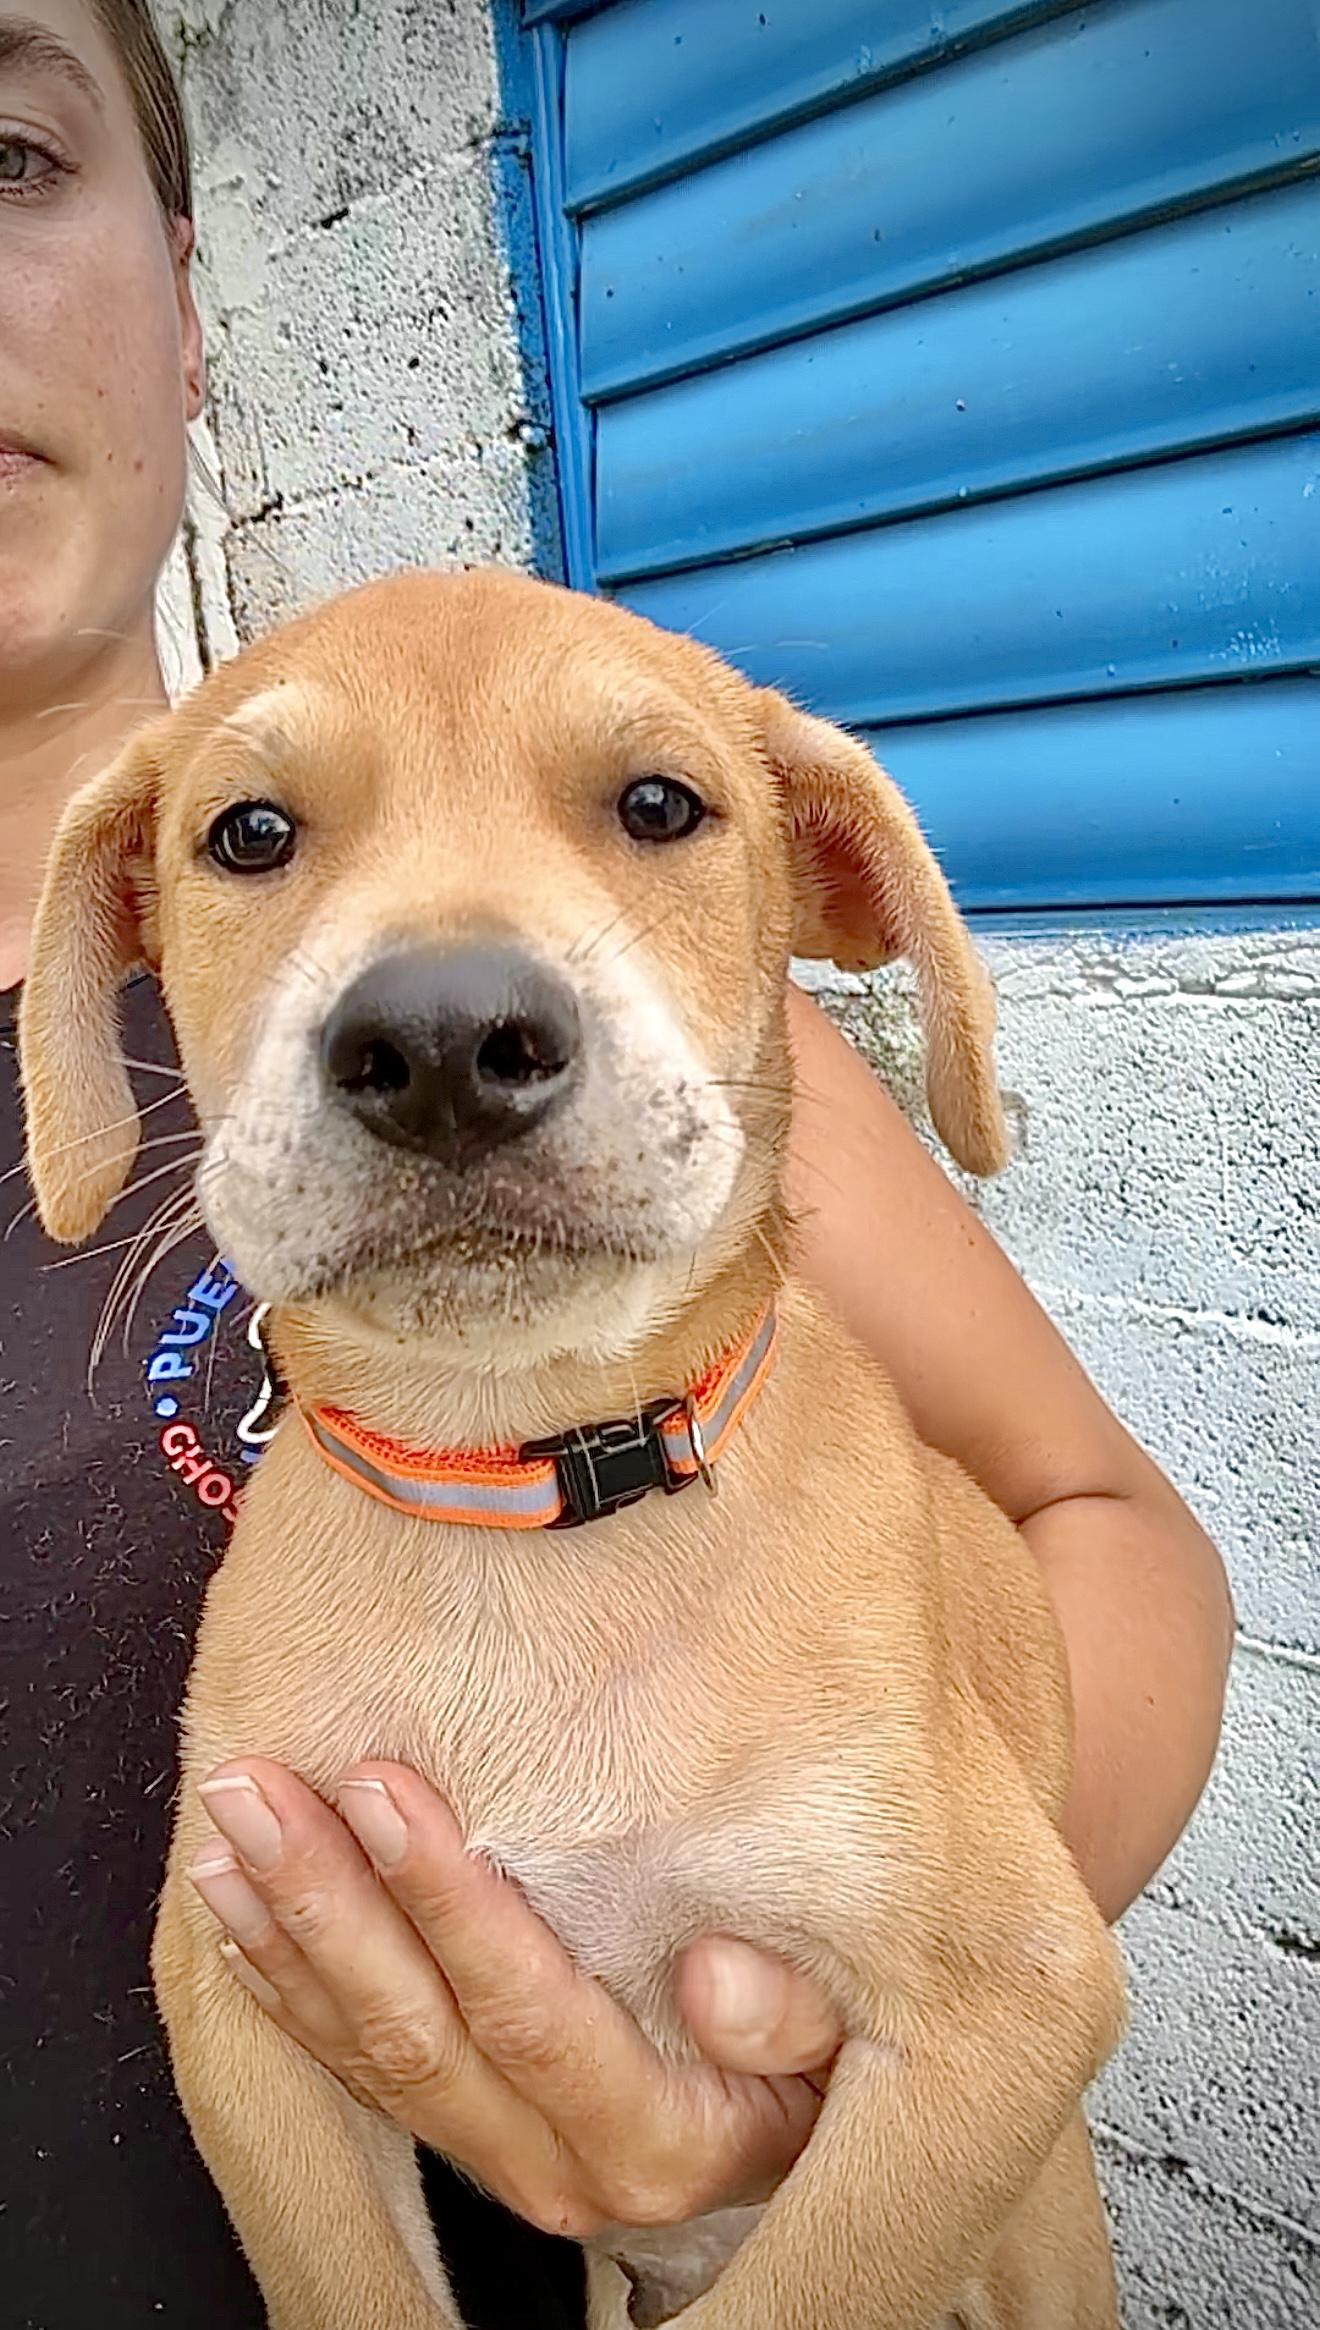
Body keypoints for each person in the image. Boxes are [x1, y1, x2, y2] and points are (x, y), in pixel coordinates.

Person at [0, 4, 1234, 2322]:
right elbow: (232, 1998)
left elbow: (1094, 1586)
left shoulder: (755, 1166)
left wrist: (814, 2097)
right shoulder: (309, 1548)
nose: (448, 1020)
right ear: (131, 939)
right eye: (259, 835)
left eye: (650, 808)